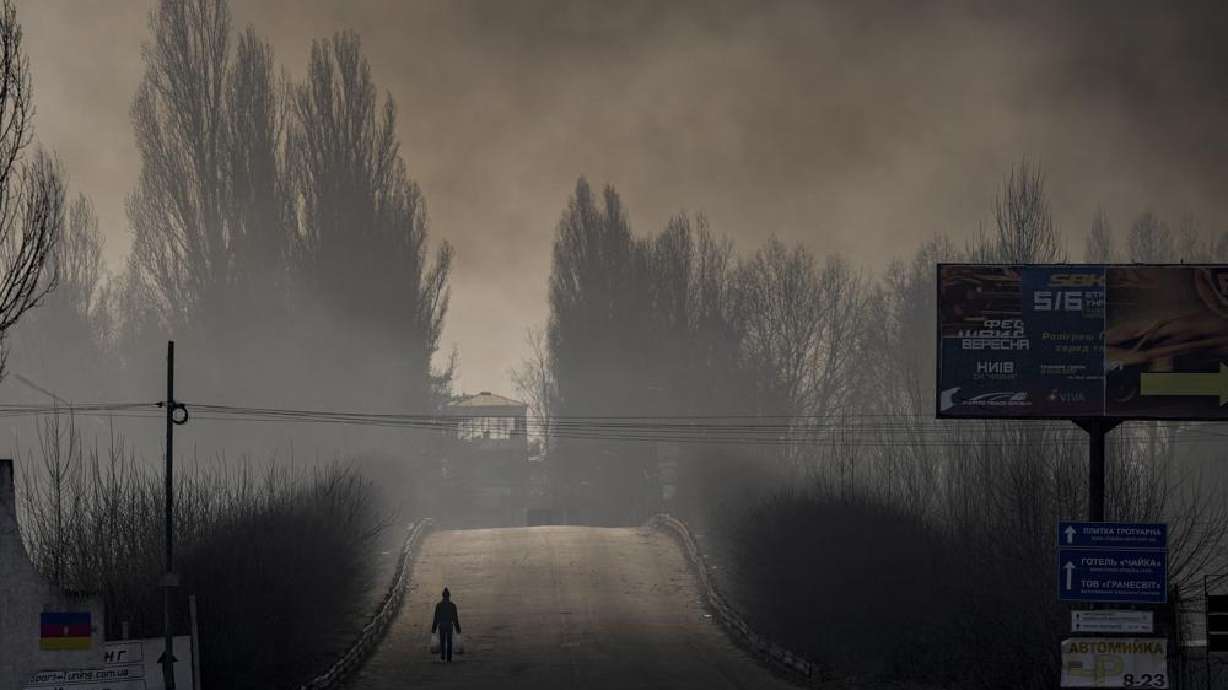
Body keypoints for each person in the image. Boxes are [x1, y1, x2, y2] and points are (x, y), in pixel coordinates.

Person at [431, 587, 462, 662]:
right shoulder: (453, 606)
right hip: (449, 625)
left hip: (442, 625)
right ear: (449, 596)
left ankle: (443, 655)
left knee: (442, 640)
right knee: (449, 641)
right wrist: (457, 628)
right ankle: (449, 657)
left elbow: (436, 618)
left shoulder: (438, 606)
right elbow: (455, 618)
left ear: (443, 596)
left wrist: (434, 627)